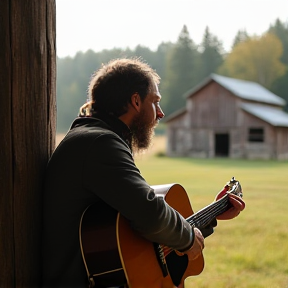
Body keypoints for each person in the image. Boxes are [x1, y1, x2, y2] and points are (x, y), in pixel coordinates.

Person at [41, 57, 245, 288]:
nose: (160, 113)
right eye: (155, 102)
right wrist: (187, 237)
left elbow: (130, 233)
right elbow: (149, 213)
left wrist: (212, 216)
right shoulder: (100, 143)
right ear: (136, 101)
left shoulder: (95, 138)